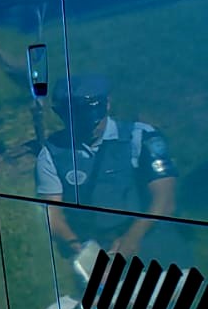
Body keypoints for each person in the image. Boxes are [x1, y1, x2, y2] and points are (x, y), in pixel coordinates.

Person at [35, 76, 177, 260]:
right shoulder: (51, 154)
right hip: (96, 251)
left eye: (95, 120)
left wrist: (132, 238)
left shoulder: (140, 137)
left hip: (150, 243)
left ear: (107, 104)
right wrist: (82, 251)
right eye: (79, 121)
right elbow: (51, 213)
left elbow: (165, 199)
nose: (89, 128)